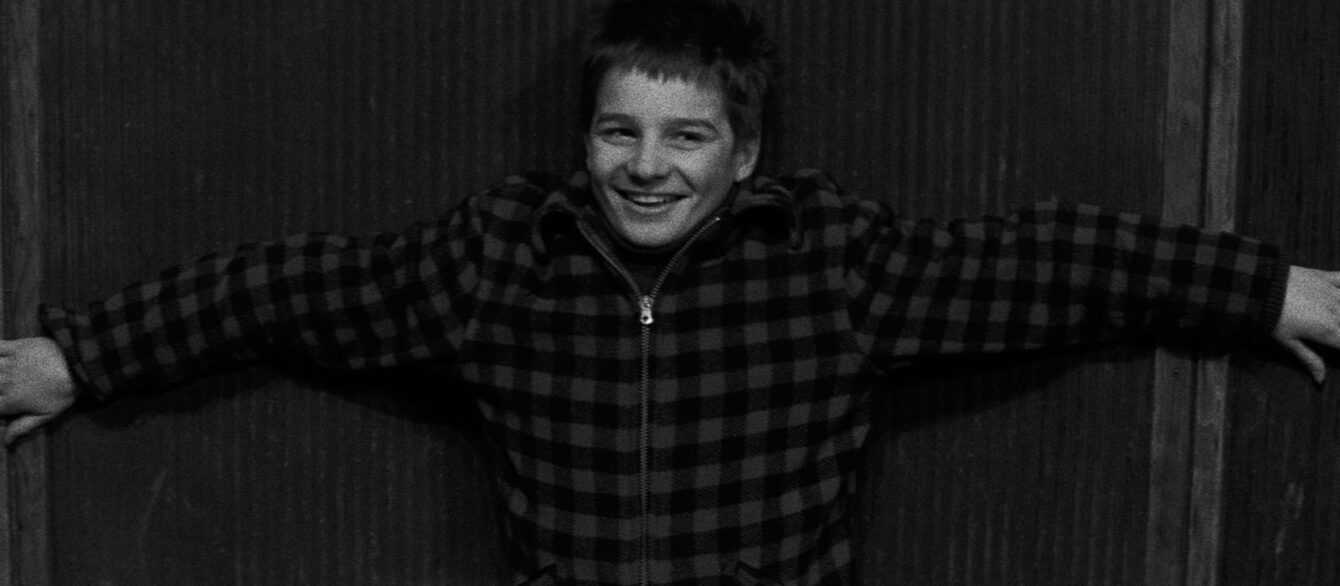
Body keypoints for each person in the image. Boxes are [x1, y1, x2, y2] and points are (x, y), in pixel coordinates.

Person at [2, 0, 1339, 584]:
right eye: (620, 133)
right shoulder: (496, 263)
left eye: (685, 136)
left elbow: (1059, 263)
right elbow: (282, 290)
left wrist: (1266, 287)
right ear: (585, 136)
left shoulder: (829, 263)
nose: (646, 167)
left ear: (741, 151)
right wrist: (78, 358)